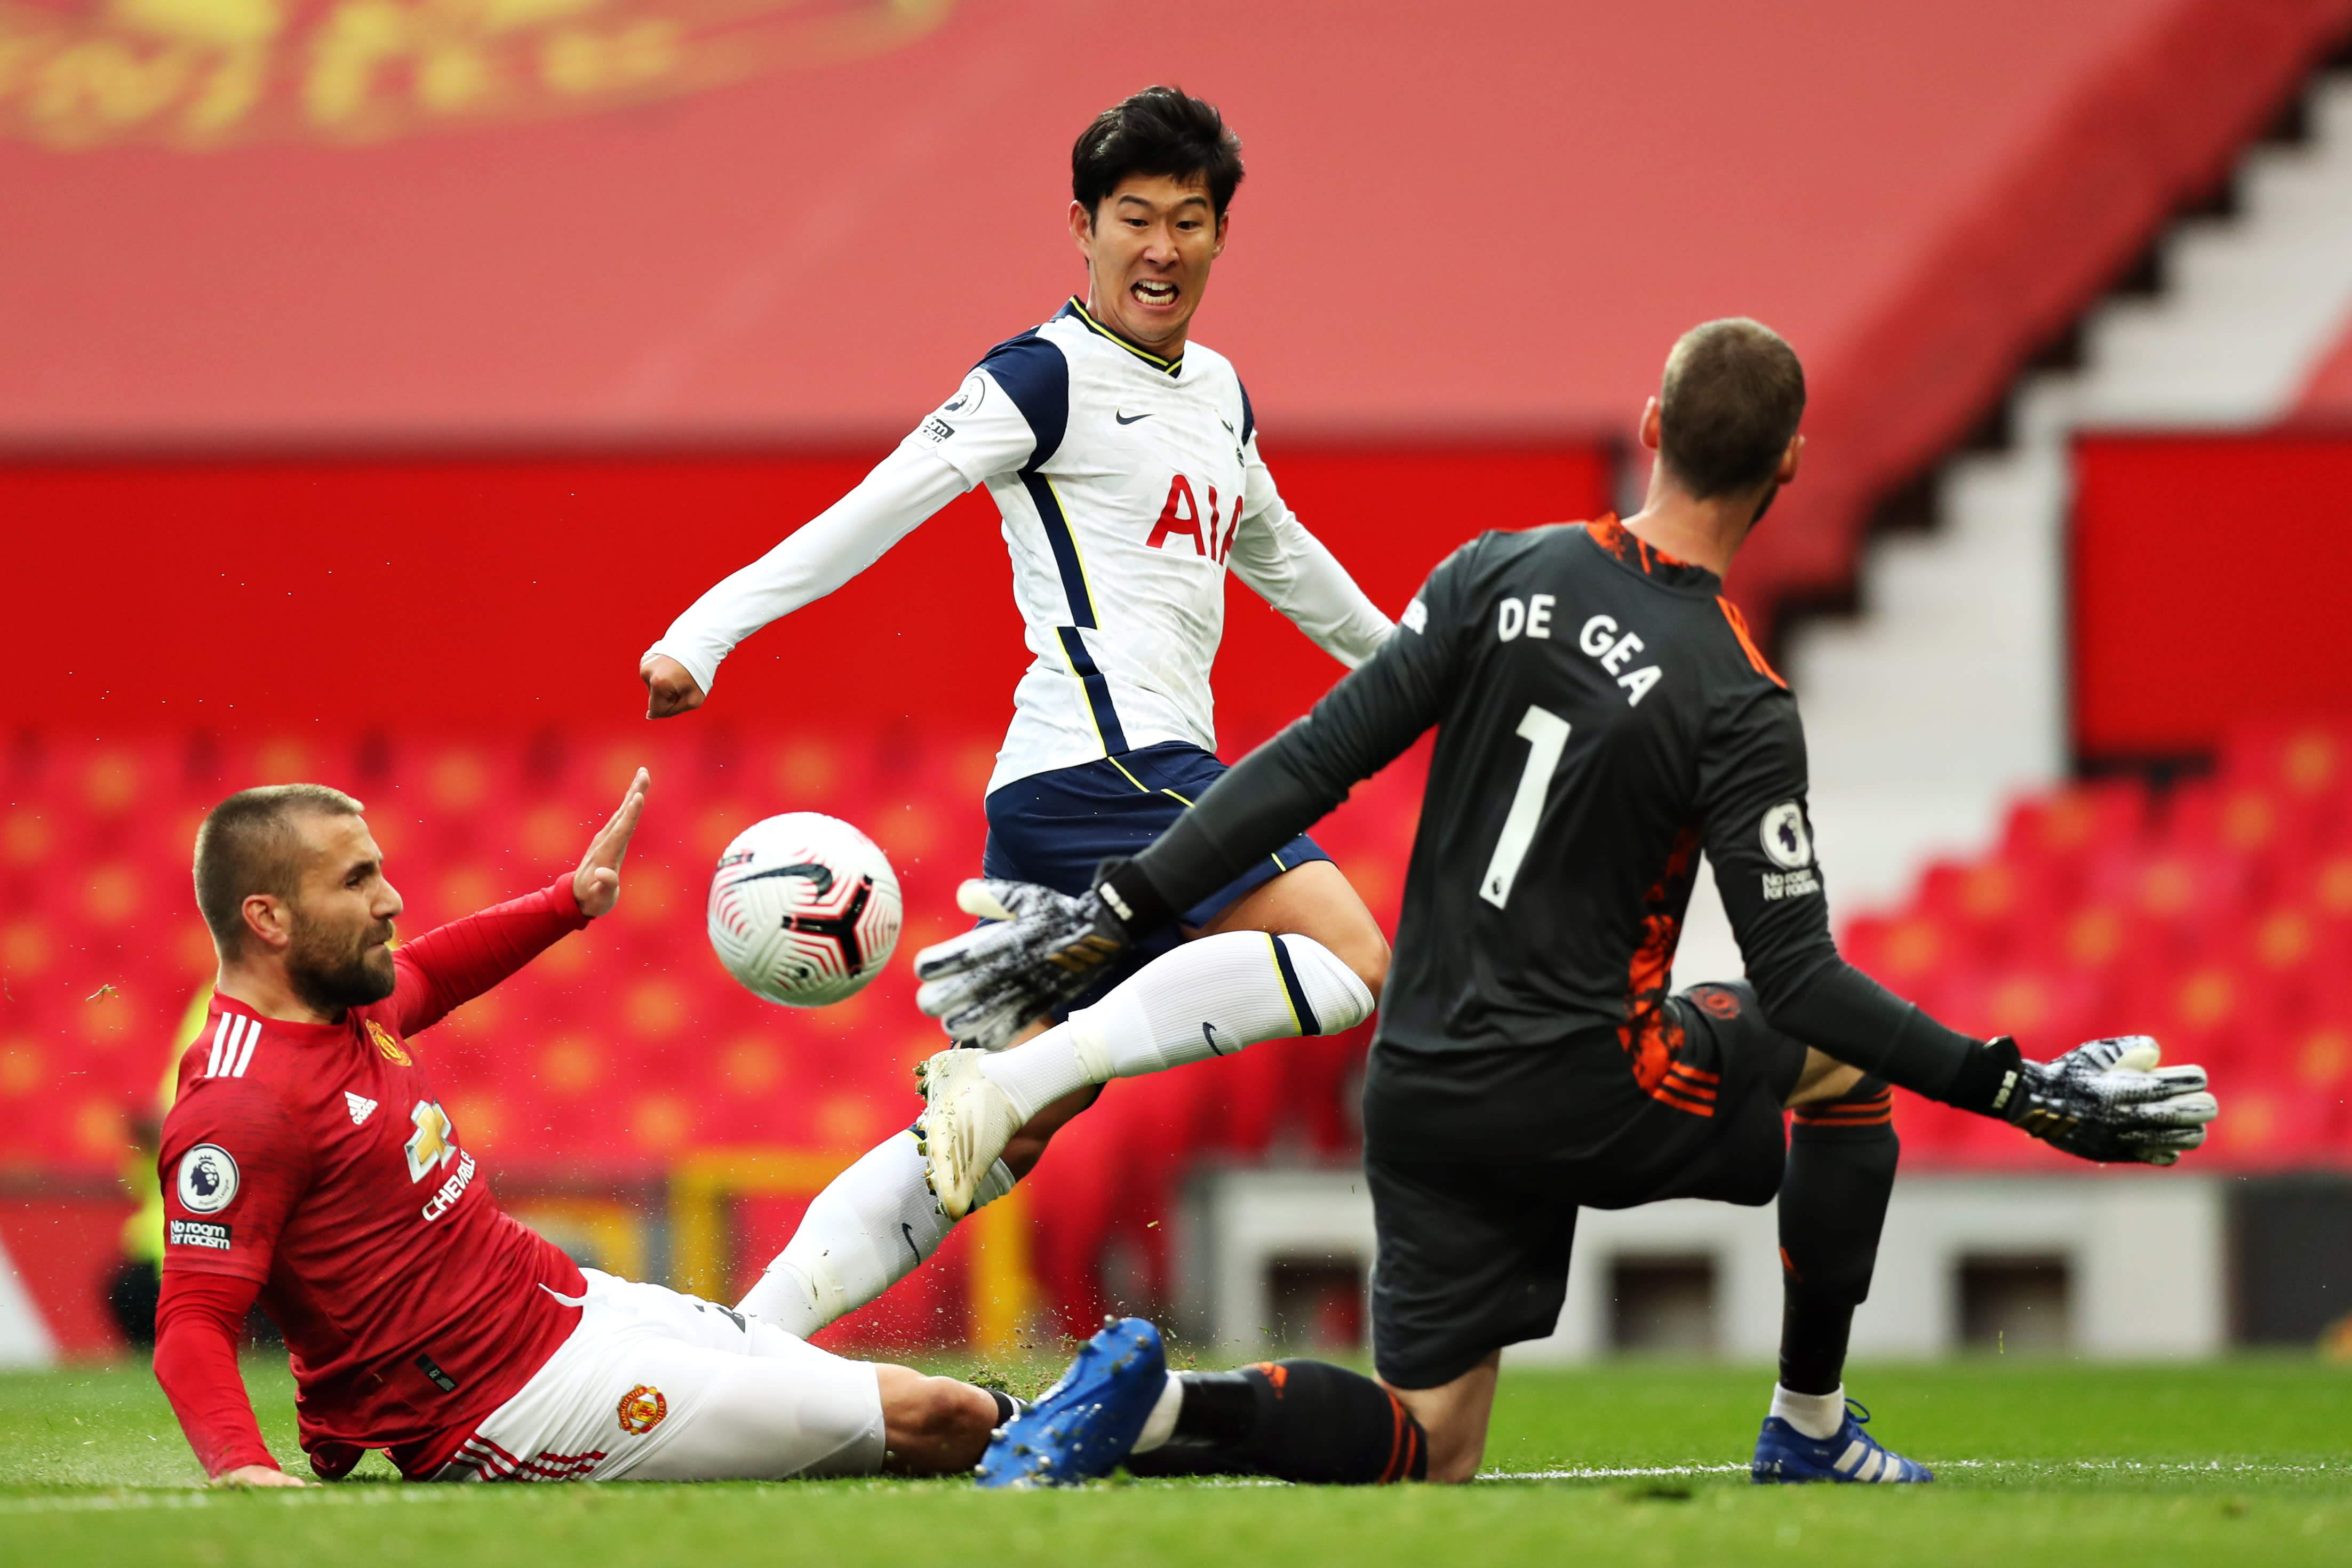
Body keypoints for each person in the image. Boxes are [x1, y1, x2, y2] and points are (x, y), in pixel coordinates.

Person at [912, 318, 2220, 1486]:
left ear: (1652, 430)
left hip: (1419, 1084)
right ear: (1791, 470)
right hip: (1588, 1084)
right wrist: (2014, 1087)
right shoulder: (1738, 699)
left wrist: (1119, 907)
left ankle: (1156, 1411)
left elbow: (1308, 763)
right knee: (1831, 1065)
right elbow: (1807, 980)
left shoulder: (1493, 575)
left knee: (1429, 1444)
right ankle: (1811, 1427)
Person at [639, 86, 1392, 1334]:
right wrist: (704, 633)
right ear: (1084, 229)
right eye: (1134, 218)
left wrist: (1433, 673)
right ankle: (1018, 1072)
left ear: (1219, 237)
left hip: (1093, 790)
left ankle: (746, 1343)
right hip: (1112, 768)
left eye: (1189, 222)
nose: (1161, 248)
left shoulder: (1217, 392)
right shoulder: (1042, 376)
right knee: (1350, 954)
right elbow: (884, 499)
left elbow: (1286, 559)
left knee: (999, 1143)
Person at [150, 775, 1011, 1485]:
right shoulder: (240, 1101)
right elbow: (192, 1315)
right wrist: (239, 1465)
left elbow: (431, 971)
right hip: (500, 1407)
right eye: (354, 881)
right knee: (934, 1418)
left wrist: (569, 901)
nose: (390, 899)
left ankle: (1128, 1422)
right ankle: (1101, 1427)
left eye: (378, 871)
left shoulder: (351, 1002)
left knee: (941, 1403)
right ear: (267, 919)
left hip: (572, 1306)